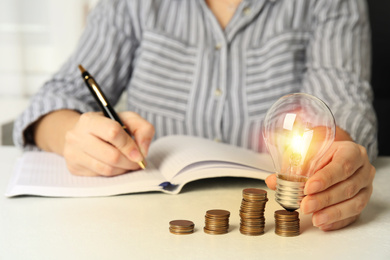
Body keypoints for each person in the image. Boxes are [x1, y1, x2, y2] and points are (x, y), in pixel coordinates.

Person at [13, 0, 376, 232]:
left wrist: (340, 158)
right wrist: (71, 136)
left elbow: (343, 104)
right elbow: (53, 98)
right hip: (135, 226)